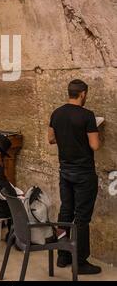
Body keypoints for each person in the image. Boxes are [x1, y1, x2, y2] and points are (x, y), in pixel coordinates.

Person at [48, 79, 101, 275]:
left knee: (65, 212)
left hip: (65, 172)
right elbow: (95, 145)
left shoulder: (57, 113)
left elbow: (51, 138)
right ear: (83, 94)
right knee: (82, 218)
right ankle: (81, 261)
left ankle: (63, 256)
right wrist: (96, 133)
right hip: (84, 174)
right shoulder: (87, 115)